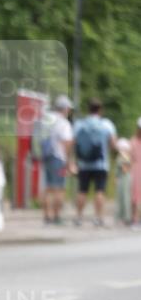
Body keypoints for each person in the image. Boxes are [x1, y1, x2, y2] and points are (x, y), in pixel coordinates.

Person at [73, 98, 118, 226]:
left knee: (82, 191)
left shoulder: (80, 124)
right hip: (101, 164)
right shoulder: (106, 124)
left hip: (83, 163)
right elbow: (114, 144)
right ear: (100, 110)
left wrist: (72, 159)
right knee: (99, 191)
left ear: (89, 109)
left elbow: (73, 142)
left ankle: (79, 217)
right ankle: (98, 218)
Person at [39, 95, 74, 224]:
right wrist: (69, 161)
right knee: (59, 188)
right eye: (69, 109)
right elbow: (67, 142)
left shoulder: (46, 119)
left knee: (48, 188)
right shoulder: (63, 123)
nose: (69, 111)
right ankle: (57, 216)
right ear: (64, 108)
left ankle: (46, 216)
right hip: (59, 157)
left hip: (46, 156)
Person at [114, 138, 132, 225]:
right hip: (122, 178)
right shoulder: (123, 157)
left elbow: (125, 169)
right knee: (121, 198)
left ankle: (125, 217)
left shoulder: (124, 157)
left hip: (124, 178)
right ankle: (123, 217)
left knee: (124, 197)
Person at [130, 117, 141, 227]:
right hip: (136, 170)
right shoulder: (133, 141)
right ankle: (134, 218)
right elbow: (130, 157)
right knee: (135, 195)